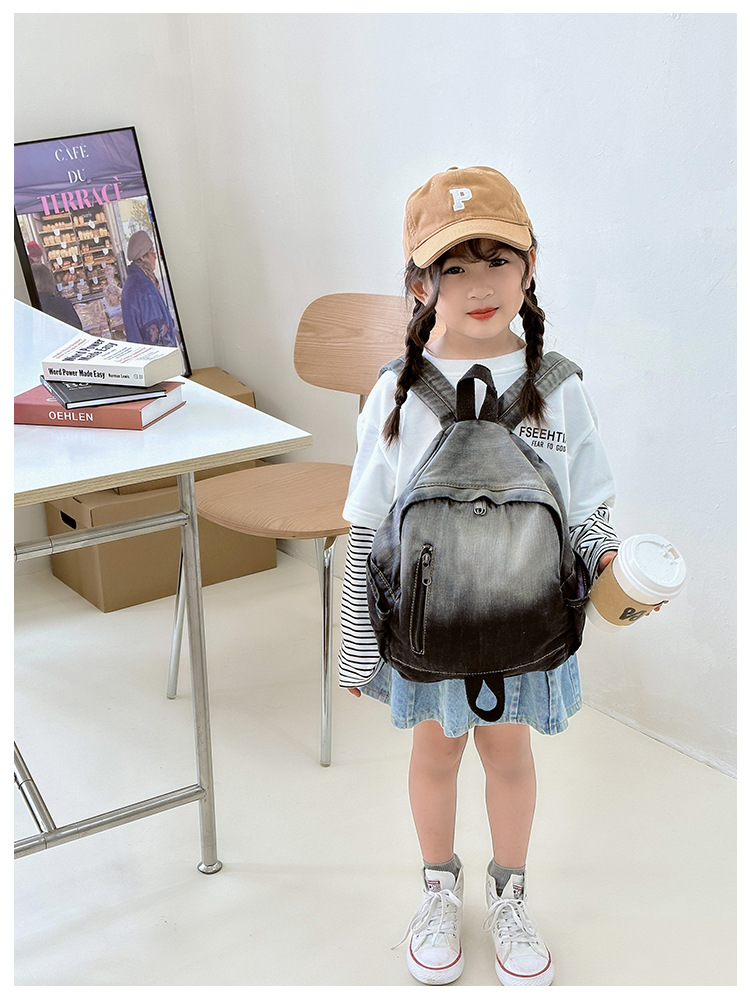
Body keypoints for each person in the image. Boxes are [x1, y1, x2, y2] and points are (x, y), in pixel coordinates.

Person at [338, 166, 622, 987]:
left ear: (531, 266)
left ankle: (509, 894)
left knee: (508, 755)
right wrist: (357, 645)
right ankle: (438, 889)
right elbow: (367, 529)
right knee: (435, 757)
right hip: (429, 632)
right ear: (419, 285)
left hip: (526, 624)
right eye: (453, 266)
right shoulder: (398, 393)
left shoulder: (558, 387)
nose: (478, 284)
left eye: (498, 259)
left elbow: (587, 510)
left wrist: (612, 563)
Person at [120, 230, 177, 346]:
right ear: (143, 256)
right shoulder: (144, 287)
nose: (155, 256)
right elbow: (156, 335)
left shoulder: (132, 281)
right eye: (152, 251)